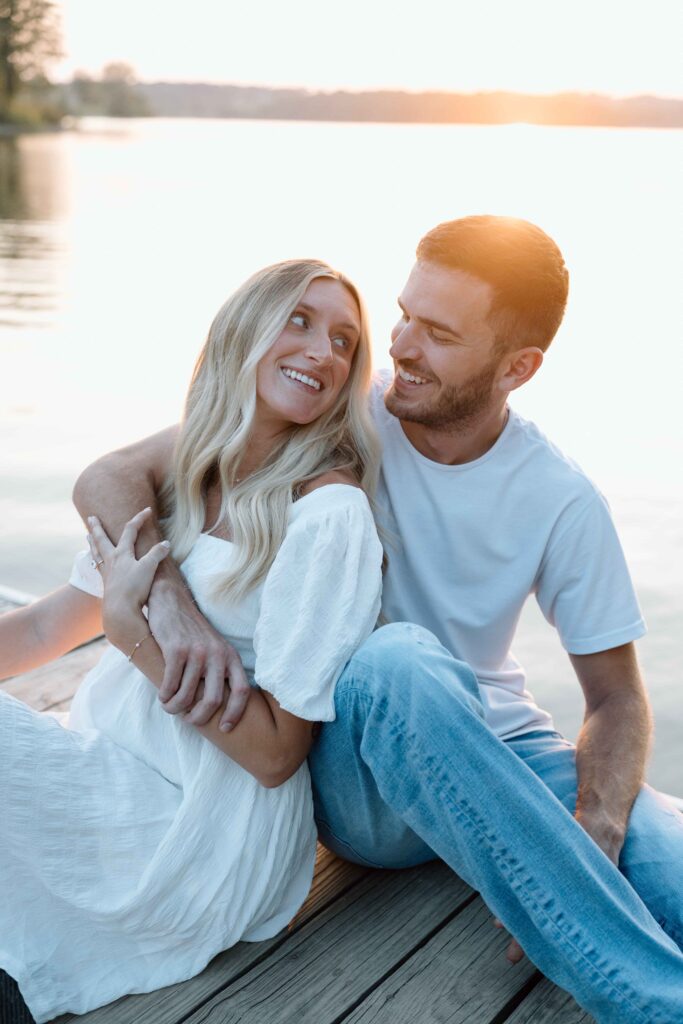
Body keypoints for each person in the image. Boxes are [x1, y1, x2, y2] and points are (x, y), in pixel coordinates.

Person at [72, 216, 683, 1023]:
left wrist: (597, 823)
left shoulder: (559, 496)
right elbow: (112, 477)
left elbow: (615, 697)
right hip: (351, 768)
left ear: (518, 367)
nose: (398, 346)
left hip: (497, 745)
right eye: (402, 315)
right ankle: (651, 1005)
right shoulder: (331, 414)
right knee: (396, 660)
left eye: (436, 334)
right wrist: (172, 607)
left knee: (666, 863)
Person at [0, 259, 385, 1023]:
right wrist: (133, 615)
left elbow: (278, 754)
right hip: (108, 767)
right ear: (240, 330)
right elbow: (49, 626)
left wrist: (133, 639)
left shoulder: (326, 516)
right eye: (298, 321)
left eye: (344, 341)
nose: (322, 352)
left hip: (204, 828)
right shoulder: (181, 478)